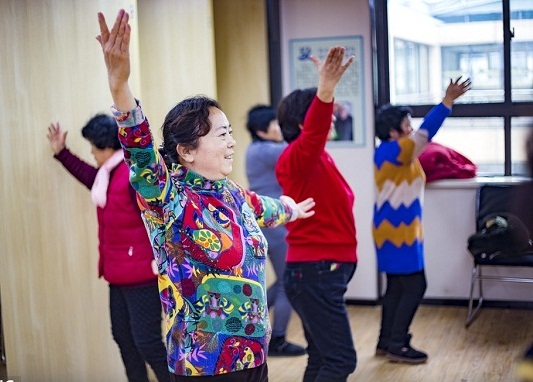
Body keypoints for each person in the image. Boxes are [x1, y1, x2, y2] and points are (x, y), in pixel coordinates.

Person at [96, 9, 315, 381]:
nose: (231, 142)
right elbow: (142, 153)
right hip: (205, 366)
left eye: (230, 132)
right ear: (187, 150)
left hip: (253, 356)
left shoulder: (231, 194)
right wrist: (120, 87)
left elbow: (265, 208)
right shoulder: (170, 198)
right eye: (221, 135)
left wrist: (291, 209)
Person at [46, 115, 169, 382]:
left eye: (93, 146)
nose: (91, 151)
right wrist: (62, 153)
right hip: (117, 274)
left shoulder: (130, 175)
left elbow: (159, 215)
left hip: (141, 276)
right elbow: (90, 177)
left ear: (104, 144)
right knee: (123, 338)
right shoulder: (108, 175)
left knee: (147, 342)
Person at [372, 77, 472, 364]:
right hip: (397, 233)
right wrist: (447, 100)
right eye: (406, 124)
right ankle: (397, 344)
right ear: (393, 131)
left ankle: (386, 340)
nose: (412, 128)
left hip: (398, 231)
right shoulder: (396, 150)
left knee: (397, 286)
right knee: (415, 286)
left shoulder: (395, 153)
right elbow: (427, 133)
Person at [275, 46, 358, 382]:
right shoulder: (296, 158)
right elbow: (313, 132)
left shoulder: (319, 158)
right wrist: (325, 89)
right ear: (303, 121)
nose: (334, 116)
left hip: (321, 274)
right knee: (341, 361)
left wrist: (326, 94)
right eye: (325, 112)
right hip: (314, 274)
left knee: (322, 358)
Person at [244, 105, 306, 357]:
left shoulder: (256, 149)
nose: (279, 129)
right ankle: (278, 339)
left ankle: (250, 322)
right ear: (262, 130)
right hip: (274, 224)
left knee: (282, 280)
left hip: (270, 222)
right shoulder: (267, 150)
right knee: (289, 283)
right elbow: (302, 149)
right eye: (275, 125)